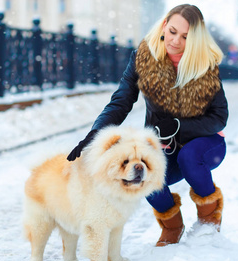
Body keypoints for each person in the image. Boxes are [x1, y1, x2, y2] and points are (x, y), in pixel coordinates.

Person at [67, 4, 228, 247]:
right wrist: (94, 135)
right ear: (164, 25)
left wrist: (178, 126)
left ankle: (208, 222)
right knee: (143, 171)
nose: (175, 41)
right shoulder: (142, 58)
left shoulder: (204, 64)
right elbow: (120, 102)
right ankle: (172, 226)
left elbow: (219, 117)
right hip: (163, 144)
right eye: (172, 31)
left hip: (204, 141)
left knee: (189, 157)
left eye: (185, 37)